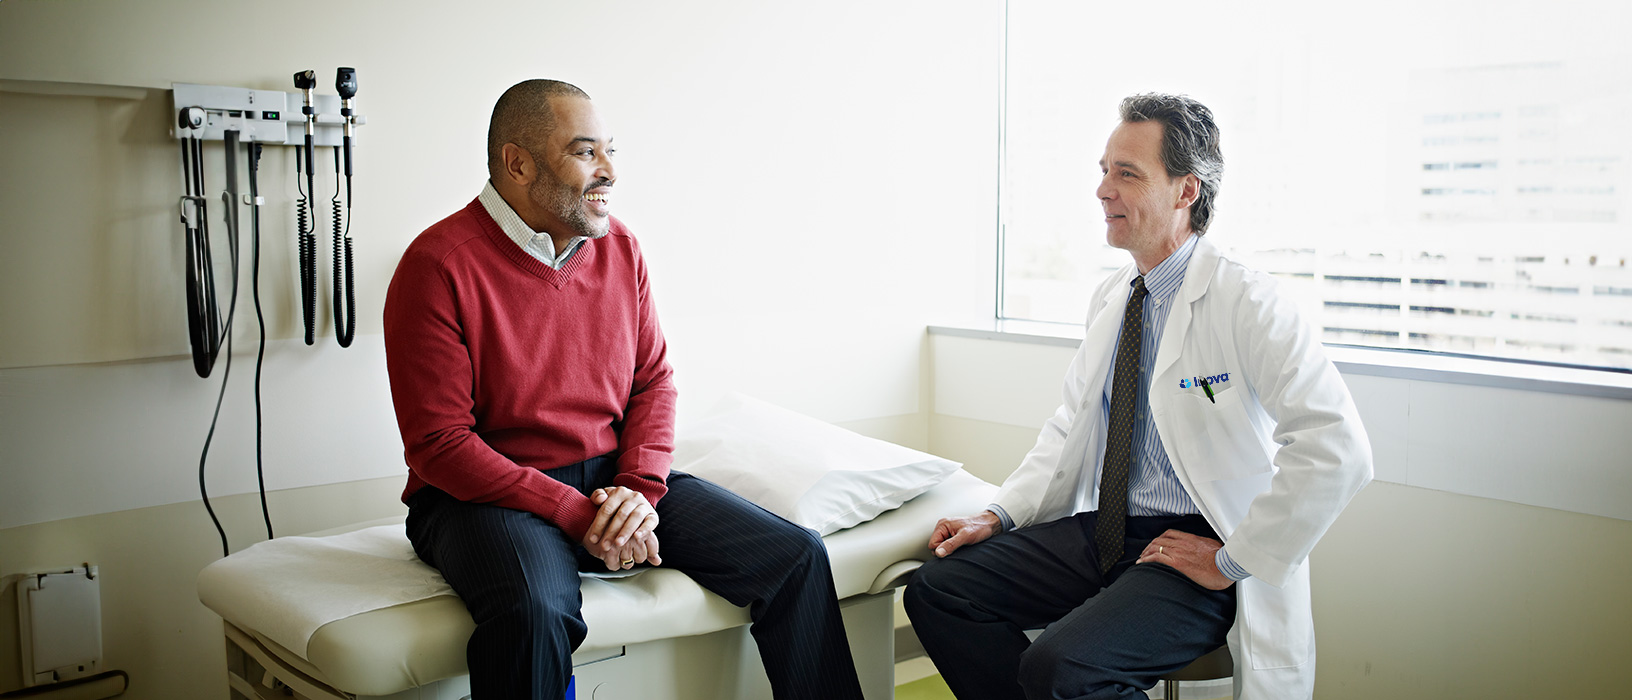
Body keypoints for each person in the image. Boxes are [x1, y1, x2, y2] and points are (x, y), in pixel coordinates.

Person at [383, 79, 864, 700]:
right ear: (518, 162)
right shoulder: (438, 263)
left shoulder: (621, 249)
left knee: (795, 557)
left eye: (610, 150)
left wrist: (638, 491)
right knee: (535, 613)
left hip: (611, 477)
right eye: (585, 152)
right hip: (481, 496)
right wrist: (575, 513)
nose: (608, 170)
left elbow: (653, 382)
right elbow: (439, 444)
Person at [904, 93, 1373, 700]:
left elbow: (1338, 448)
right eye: (1104, 170)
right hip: (1107, 531)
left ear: (1187, 191)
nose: (1103, 190)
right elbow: (1069, 428)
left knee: (1060, 668)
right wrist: (998, 515)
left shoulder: (1248, 303)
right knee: (939, 591)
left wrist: (1232, 560)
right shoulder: (1114, 296)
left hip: (1199, 544)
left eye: (1127, 173)